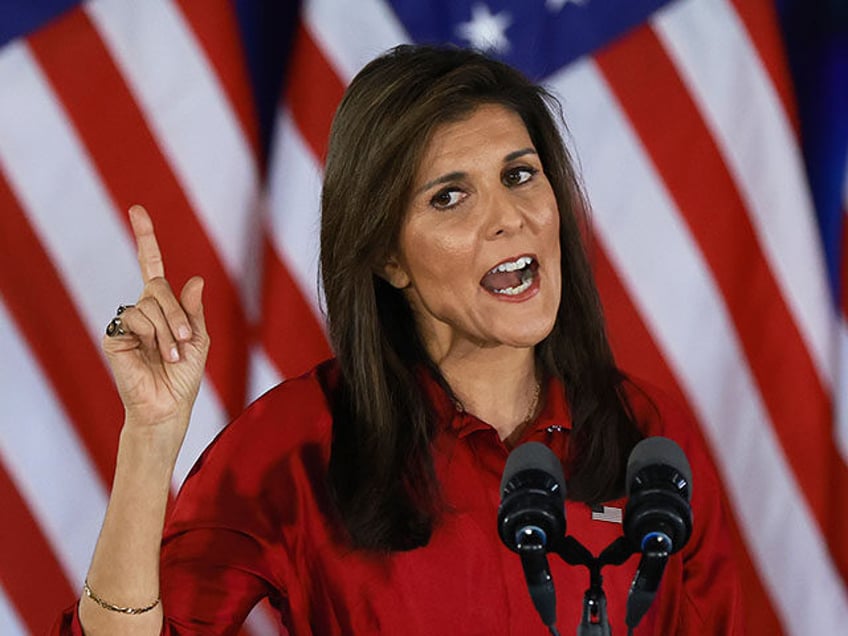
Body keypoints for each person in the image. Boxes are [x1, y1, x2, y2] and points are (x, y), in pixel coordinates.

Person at [53, 44, 742, 635]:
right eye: (450, 195)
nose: (509, 219)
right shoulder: (296, 446)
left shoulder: (648, 437)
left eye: (519, 174)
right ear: (387, 256)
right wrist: (148, 439)